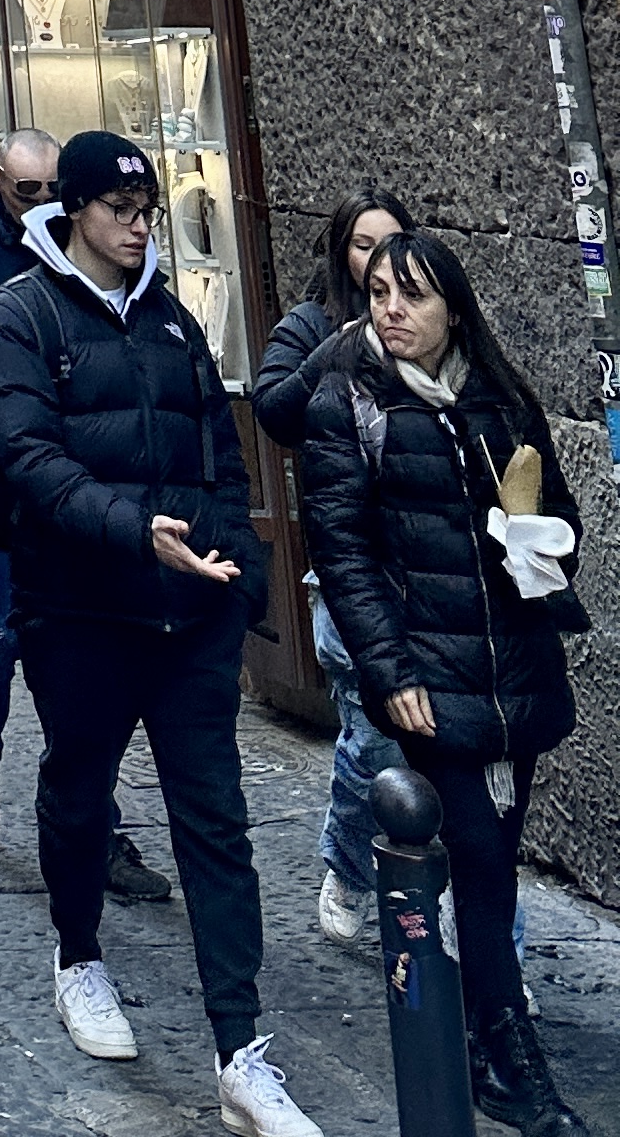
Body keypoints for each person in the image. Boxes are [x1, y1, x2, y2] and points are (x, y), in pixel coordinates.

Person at [0, 129, 319, 1137]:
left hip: (191, 613)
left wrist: (240, 571)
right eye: (119, 210)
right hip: (80, 610)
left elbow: (220, 448)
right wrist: (133, 529)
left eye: (147, 211)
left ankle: (239, 1051)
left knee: (215, 824)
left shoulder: (171, 318)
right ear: (75, 210)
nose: (137, 227)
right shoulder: (19, 315)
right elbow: (30, 459)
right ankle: (78, 955)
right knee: (80, 793)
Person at [300, 227, 587, 1136]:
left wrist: (540, 540)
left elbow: (562, 516)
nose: (391, 311)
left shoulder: (501, 399)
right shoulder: (348, 402)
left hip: (512, 668)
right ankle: (516, 1067)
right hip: (428, 676)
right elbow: (344, 556)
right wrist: (389, 674)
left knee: (494, 861)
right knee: (477, 858)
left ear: (453, 309)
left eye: (412, 295)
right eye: (379, 293)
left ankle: (476, 1040)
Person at [0, 131, 177, 908]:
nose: (44, 204)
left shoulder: (99, 243)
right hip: (2, 482)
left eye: (55, 190)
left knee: (86, 659)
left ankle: (98, 829)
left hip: (85, 476)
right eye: (28, 192)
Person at [249, 180, 412, 949]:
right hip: (349, 571)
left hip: (431, 566)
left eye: (390, 243)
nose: (377, 261)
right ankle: (348, 864)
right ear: (340, 252)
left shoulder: (429, 314)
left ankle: (471, 928)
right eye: (362, 245)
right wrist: (342, 344)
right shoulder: (312, 324)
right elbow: (274, 409)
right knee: (372, 741)